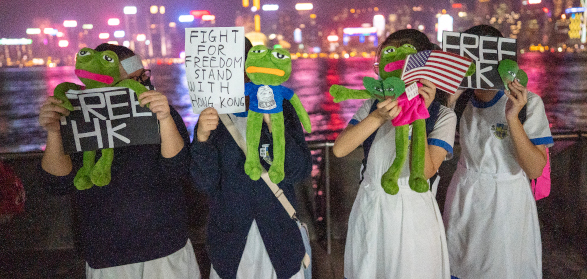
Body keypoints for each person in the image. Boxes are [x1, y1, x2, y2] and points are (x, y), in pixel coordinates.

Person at [38, 43, 200, 278]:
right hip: (106, 253)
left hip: (166, 245)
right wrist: (54, 132)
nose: (141, 86)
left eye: (143, 78)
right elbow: (57, 183)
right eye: (130, 80)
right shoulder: (74, 114)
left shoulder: (158, 109)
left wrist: (164, 118)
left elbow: (177, 169)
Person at [334, 29, 456, 278]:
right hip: (371, 205)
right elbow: (340, 148)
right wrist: (378, 116)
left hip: (414, 213)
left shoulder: (443, 115)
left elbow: (426, 170)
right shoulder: (371, 105)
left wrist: (417, 114)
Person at [190, 37, 312, 279]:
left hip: (280, 235)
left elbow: (300, 170)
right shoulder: (212, 113)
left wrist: (274, 124)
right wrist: (202, 137)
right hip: (230, 242)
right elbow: (204, 183)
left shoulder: (283, 105)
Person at [442, 25, 553, 279]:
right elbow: (436, 151)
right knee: (458, 267)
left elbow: (535, 168)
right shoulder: (459, 101)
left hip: (507, 206)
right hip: (465, 198)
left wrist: (513, 118)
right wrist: (447, 101)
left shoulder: (528, 103)